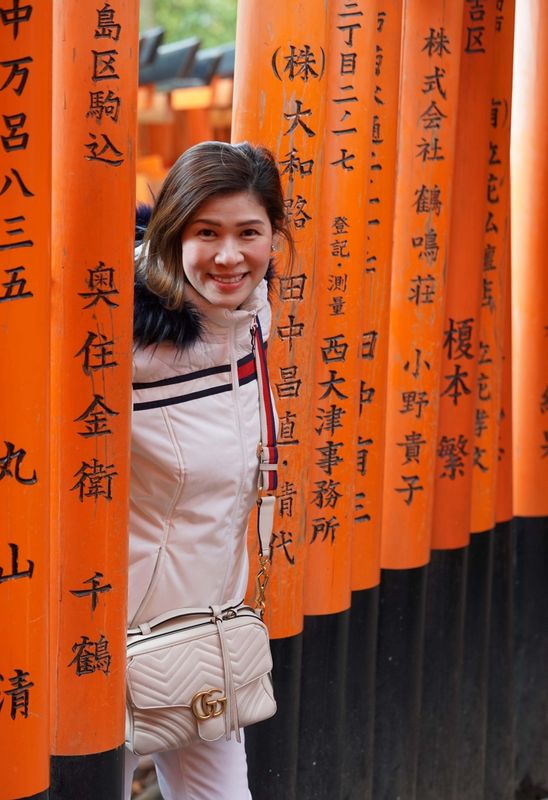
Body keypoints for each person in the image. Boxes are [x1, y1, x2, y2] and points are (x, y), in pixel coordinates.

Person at [125, 141, 294, 800]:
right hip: (105, 639)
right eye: (207, 233)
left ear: (273, 239)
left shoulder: (249, 319)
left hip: (203, 635)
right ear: (172, 234)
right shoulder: (118, 338)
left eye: (248, 232)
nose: (230, 256)